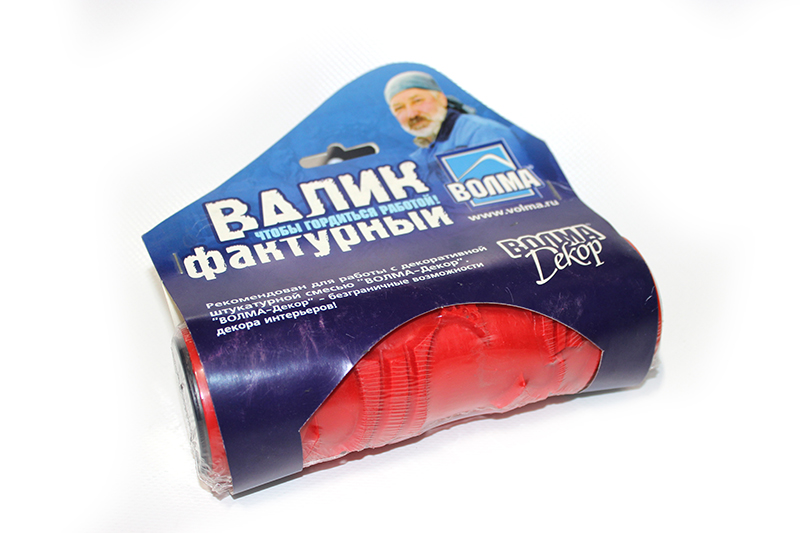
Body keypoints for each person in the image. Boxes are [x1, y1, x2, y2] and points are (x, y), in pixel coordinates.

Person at [384, 70, 529, 177]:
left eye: (417, 101)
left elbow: (517, 195)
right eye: (399, 108)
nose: (412, 114)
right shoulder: (420, 155)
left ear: (441, 99)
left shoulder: (480, 133)